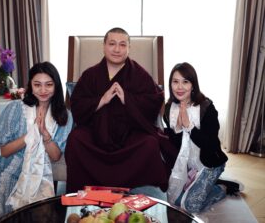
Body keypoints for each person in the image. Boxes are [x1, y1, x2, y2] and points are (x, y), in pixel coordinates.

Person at [65, 27, 177, 195]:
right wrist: (101, 100)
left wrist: (128, 99)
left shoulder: (139, 74)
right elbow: (77, 105)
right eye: (112, 44)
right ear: (104, 46)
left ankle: (128, 187)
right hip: (95, 134)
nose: (117, 49)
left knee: (150, 143)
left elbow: (154, 100)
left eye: (122, 45)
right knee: (75, 140)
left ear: (128, 48)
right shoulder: (90, 74)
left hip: (129, 135)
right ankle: (88, 189)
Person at [0, 62, 73, 219]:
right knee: (13, 216)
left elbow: (55, 156)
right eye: (37, 85)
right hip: (14, 169)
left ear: (56, 86)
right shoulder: (15, 109)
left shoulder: (65, 116)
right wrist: (31, 134)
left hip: (43, 173)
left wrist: (45, 135)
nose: (43, 90)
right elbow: (4, 151)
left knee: (43, 214)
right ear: (30, 85)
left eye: (48, 85)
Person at [163, 62, 243, 213]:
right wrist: (178, 130)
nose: (180, 87)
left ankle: (223, 187)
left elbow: (211, 146)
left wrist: (189, 126)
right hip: (188, 165)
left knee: (190, 206)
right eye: (175, 81)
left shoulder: (206, 107)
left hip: (209, 164)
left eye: (185, 81)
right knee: (174, 201)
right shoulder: (169, 109)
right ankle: (205, 184)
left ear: (193, 85)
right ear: (170, 84)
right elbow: (176, 147)